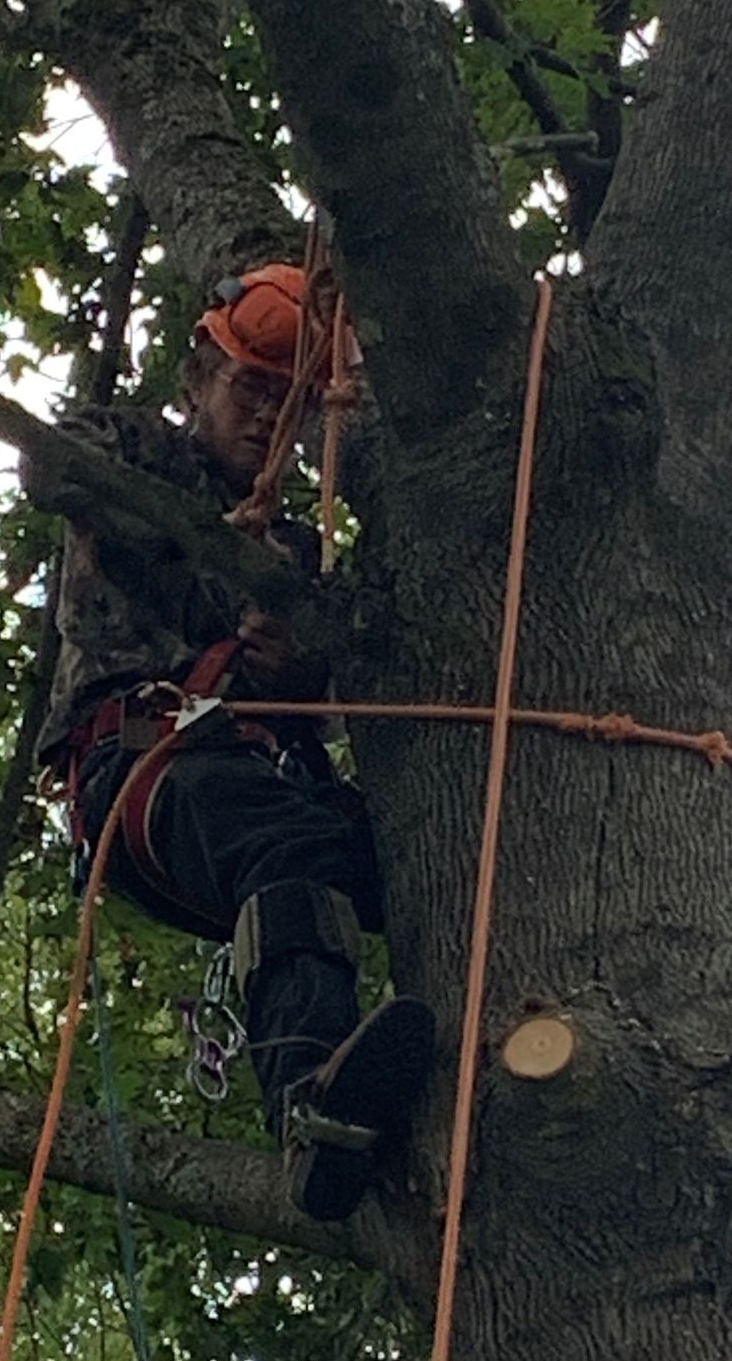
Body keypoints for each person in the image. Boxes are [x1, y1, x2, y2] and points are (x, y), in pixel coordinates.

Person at [37, 263, 434, 1222]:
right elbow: (53, 468)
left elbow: (316, 705)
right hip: (141, 761)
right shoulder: (128, 445)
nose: (268, 422)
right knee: (284, 843)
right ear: (196, 383)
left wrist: (296, 667)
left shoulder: (301, 558)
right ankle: (306, 1102)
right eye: (250, 390)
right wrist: (214, 552)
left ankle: (438, 1096)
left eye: (290, 407)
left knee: (411, 866)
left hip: (255, 772)